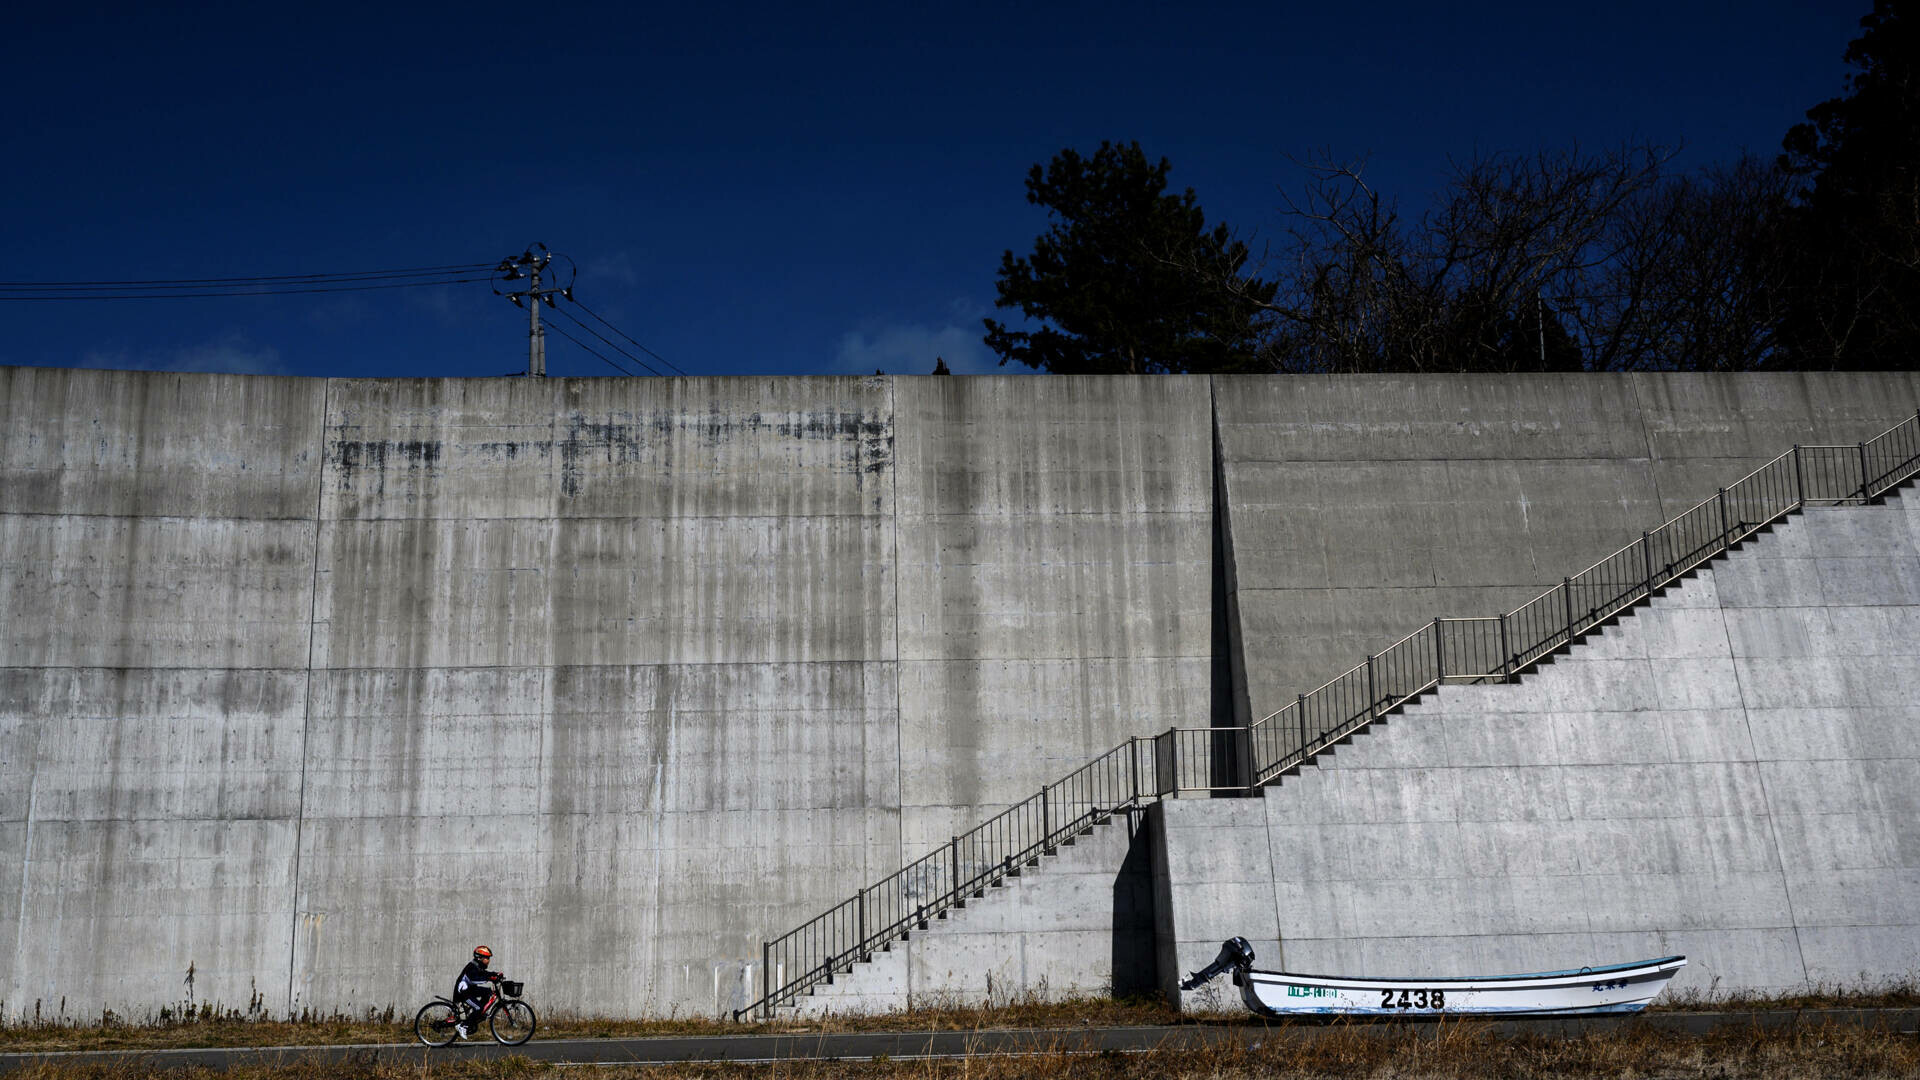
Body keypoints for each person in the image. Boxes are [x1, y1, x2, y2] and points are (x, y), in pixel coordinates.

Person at [454, 946, 502, 1038]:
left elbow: (484, 973)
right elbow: (474, 979)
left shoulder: (478, 965)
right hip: (463, 993)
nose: (488, 960)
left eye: (489, 958)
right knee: (478, 1007)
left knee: (488, 992)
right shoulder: (471, 967)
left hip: (470, 990)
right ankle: (463, 1026)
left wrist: (495, 974)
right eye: (487, 958)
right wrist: (490, 978)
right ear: (479, 958)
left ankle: (477, 1015)